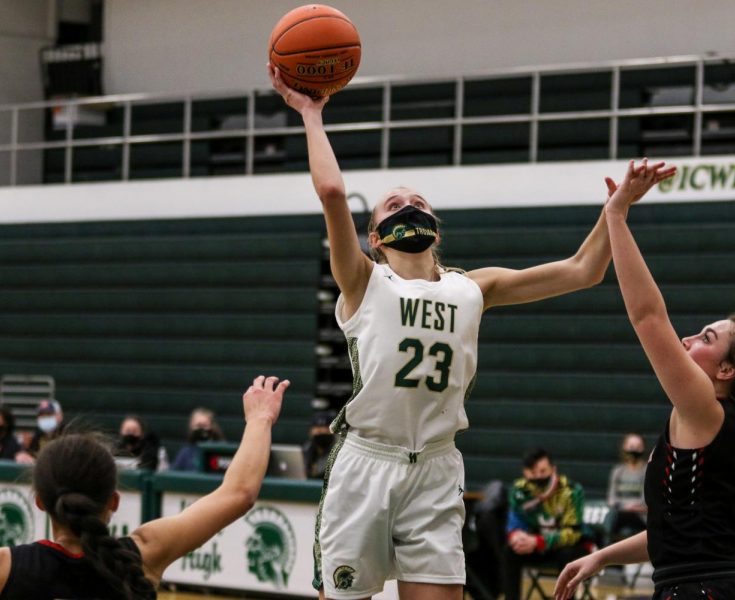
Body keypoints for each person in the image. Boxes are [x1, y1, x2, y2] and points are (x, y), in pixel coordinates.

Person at [268, 65, 675, 600]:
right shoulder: (365, 281)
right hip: (367, 460)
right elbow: (331, 193)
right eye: (394, 204)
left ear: (436, 226)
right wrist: (312, 115)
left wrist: (615, 209)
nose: (409, 205)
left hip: (437, 465)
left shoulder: (472, 287)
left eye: (418, 201)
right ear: (374, 237)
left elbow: (583, 270)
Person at [555, 160, 735, 600]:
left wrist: (616, 215)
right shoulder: (714, 421)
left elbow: (648, 316)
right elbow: (676, 534)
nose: (688, 339)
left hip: (703, 591)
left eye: (706, 337)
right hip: (707, 584)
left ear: (727, 372)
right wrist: (602, 556)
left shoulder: (705, 408)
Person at [0, 374, 289, 600]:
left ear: (40, 501)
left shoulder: (1, 568)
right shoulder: (143, 555)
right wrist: (259, 420)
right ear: (113, 501)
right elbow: (239, 493)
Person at [503, 448, 589, 600]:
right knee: (511, 551)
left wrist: (539, 541)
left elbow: (573, 533)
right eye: (533, 472)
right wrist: (516, 536)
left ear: (553, 469)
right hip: (535, 545)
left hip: (566, 546)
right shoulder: (519, 489)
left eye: (543, 471)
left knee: (567, 554)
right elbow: (514, 524)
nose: (538, 477)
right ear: (525, 472)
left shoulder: (572, 490)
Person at [607, 433, 648, 538]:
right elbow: (611, 499)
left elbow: (645, 501)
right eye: (631, 447)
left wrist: (626, 506)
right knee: (624, 529)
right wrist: (627, 506)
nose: (634, 450)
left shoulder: (647, 470)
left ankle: (602, 547)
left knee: (616, 516)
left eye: (638, 447)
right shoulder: (618, 471)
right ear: (624, 448)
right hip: (621, 515)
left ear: (643, 449)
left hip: (641, 517)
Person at [170, 407, 224, 472]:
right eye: (198, 425)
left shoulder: (221, 450)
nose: (201, 429)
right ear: (191, 427)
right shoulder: (186, 451)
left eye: (204, 425)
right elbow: (173, 472)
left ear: (212, 426)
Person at [303, 410, 337, 480]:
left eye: (326, 431)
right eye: (319, 432)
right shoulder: (307, 449)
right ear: (310, 432)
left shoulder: (340, 452)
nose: (322, 434)